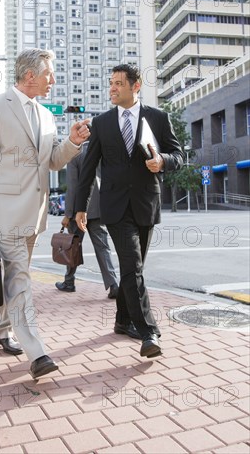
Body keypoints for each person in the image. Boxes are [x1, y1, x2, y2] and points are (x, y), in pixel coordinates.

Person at [0, 48, 90, 379]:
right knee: (20, 278)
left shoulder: (46, 116)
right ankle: (37, 353)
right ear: (31, 75)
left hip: (35, 214)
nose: (53, 79)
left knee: (14, 275)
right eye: (49, 73)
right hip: (5, 211)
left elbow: (51, 161)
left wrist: (73, 143)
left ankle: (0, 331)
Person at [75, 64, 183, 358]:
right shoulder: (102, 123)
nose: (112, 88)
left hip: (146, 203)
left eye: (119, 83)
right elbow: (87, 169)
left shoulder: (158, 118)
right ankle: (148, 332)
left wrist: (162, 161)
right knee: (132, 266)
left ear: (136, 87)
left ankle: (123, 320)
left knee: (132, 269)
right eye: (111, 83)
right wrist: (80, 207)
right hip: (115, 207)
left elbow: (178, 155)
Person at [55, 141, 119, 298]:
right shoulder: (102, 152)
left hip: (78, 210)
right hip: (99, 208)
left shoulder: (74, 154)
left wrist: (68, 214)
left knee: (73, 246)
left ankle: (69, 282)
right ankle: (113, 284)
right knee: (103, 247)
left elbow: (73, 187)